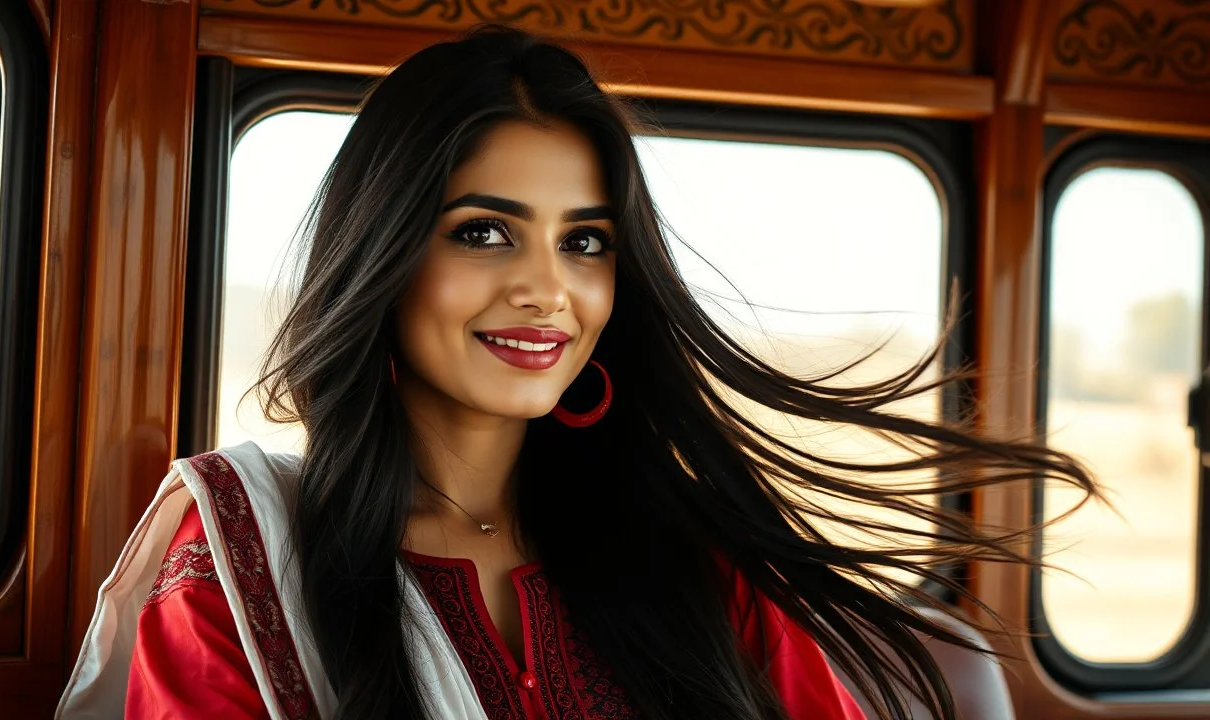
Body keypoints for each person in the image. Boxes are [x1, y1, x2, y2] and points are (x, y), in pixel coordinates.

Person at [56, 25, 1095, 720]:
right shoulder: (246, 563)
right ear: (381, 254)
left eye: (585, 242)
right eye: (484, 233)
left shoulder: (683, 559)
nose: (548, 290)